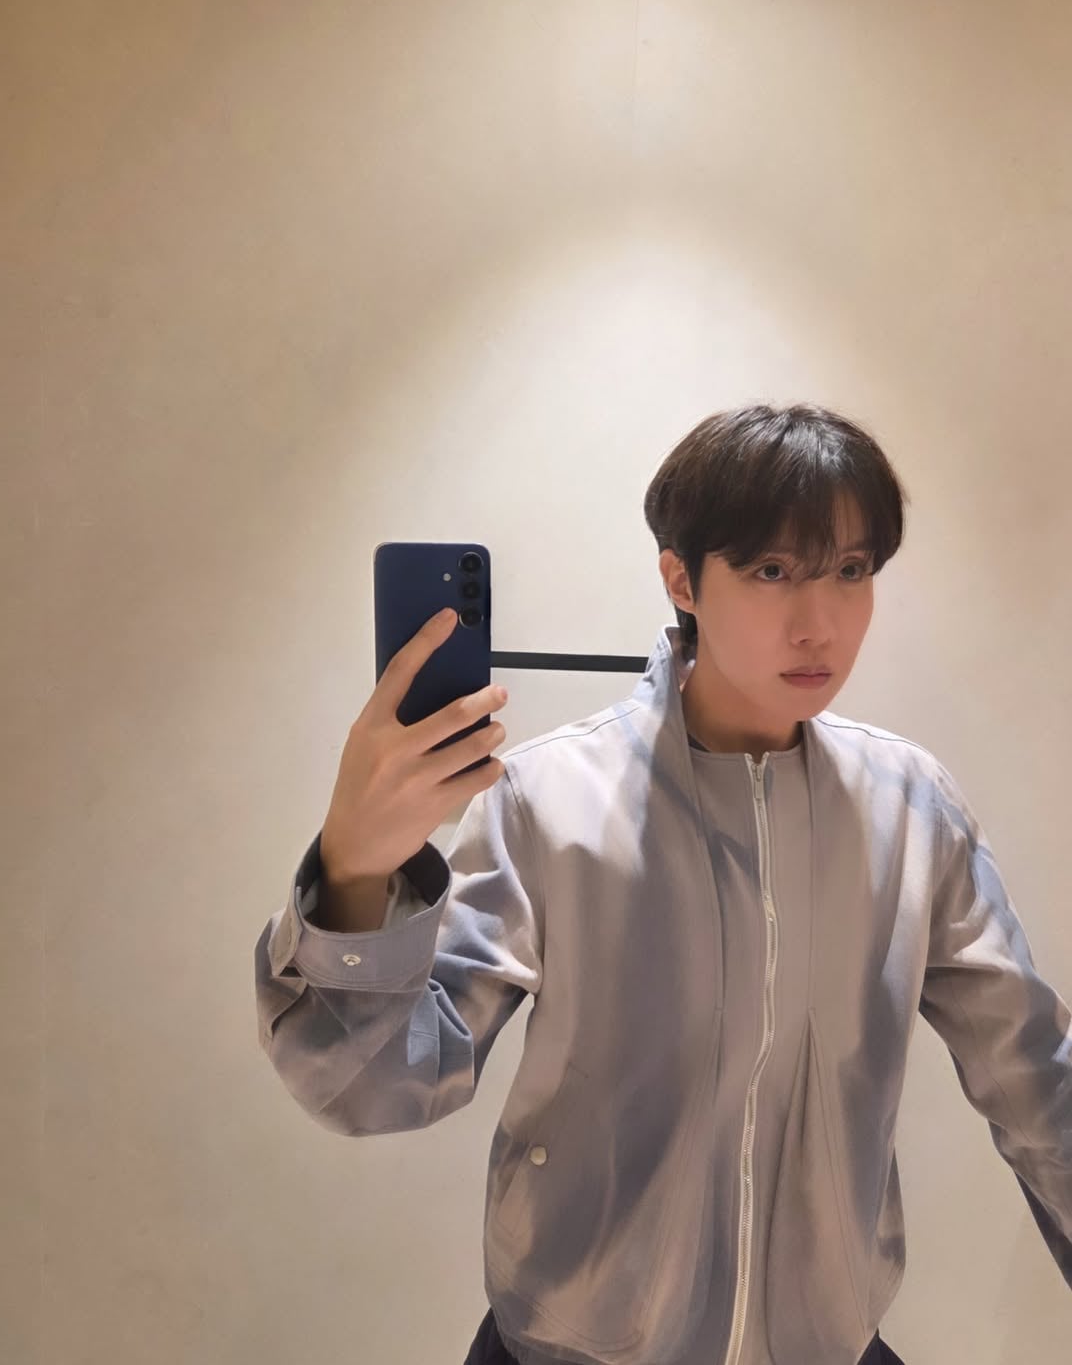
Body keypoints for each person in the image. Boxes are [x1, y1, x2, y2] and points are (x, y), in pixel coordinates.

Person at [255, 402, 1071, 1365]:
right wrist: (354, 870)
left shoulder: (910, 806)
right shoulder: (552, 799)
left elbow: (1038, 1078)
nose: (819, 623)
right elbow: (372, 1084)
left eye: (851, 571)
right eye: (773, 571)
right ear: (681, 579)